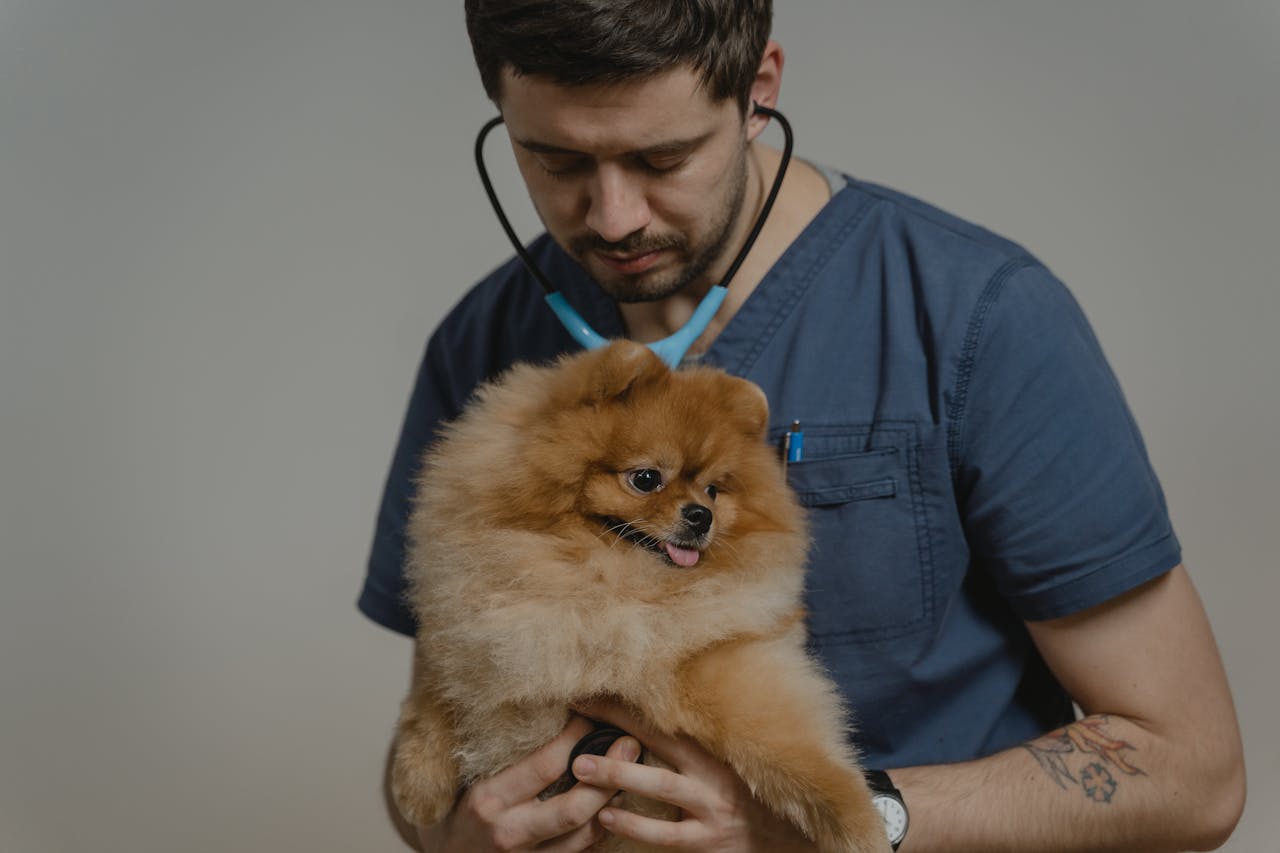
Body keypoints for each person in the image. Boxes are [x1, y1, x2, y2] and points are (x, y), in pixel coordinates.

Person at [357, 2, 1246, 850]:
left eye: (662, 160)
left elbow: (1192, 771)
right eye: (556, 161)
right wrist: (457, 836)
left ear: (759, 91)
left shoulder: (979, 317)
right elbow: (436, 748)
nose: (614, 215)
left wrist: (846, 822)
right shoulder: (481, 346)